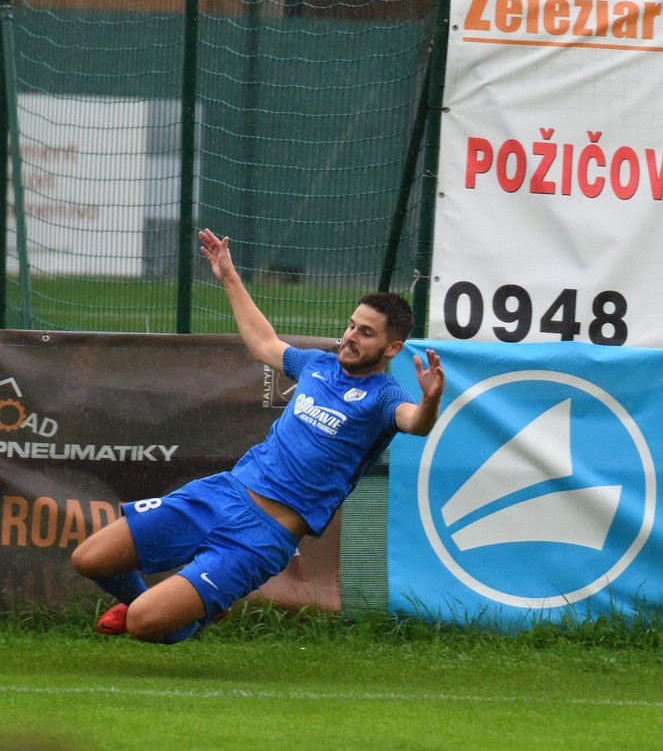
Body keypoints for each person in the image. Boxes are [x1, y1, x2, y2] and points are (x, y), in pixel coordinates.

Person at [70, 228, 445, 644]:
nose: (351, 337)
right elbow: (264, 342)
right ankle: (162, 605)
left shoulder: (384, 396)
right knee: (90, 559)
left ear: (392, 349)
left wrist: (430, 400)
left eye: (366, 333)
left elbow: (416, 423)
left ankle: (186, 616)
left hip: (262, 535)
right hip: (223, 493)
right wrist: (228, 275)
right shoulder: (317, 365)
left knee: (143, 624)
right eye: (352, 325)